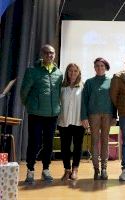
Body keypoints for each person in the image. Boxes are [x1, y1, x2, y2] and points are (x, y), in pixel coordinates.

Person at [20, 44, 63, 184]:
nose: (49, 55)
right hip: (36, 114)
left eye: (52, 53)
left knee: (49, 143)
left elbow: (59, 94)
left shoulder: (59, 73)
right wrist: (31, 106)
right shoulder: (32, 71)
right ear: (42, 54)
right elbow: (24, 92)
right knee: (34, 142)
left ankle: (46, 169)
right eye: (47, 53)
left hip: (52, 115)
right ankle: (30, 170)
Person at [81, 57, 116, 180]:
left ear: (106, 67)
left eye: (102, 66)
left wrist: (115, 116)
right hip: (93, 115)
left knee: (105, 141)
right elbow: (84, 101)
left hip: (107, 114)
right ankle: (96, 169)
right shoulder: (89, 82)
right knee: (94, 141)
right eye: (97, 66)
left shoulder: (111, 81)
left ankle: (104, 168)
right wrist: (83, 117)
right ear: (94, 68)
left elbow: (114, 100)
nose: (99, 68)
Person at [57, 63, 85, 181]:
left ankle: (75, 170)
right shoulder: (62, 87)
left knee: (78, 146)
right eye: (70, 71)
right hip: (64, 121)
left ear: (78, 73)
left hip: (79, 122)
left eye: (75, 71)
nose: (72, 73)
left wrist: (85, 118)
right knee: (65, 147)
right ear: (67, 73)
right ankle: (67, 170)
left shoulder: (83, 87)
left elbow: (85, 104)